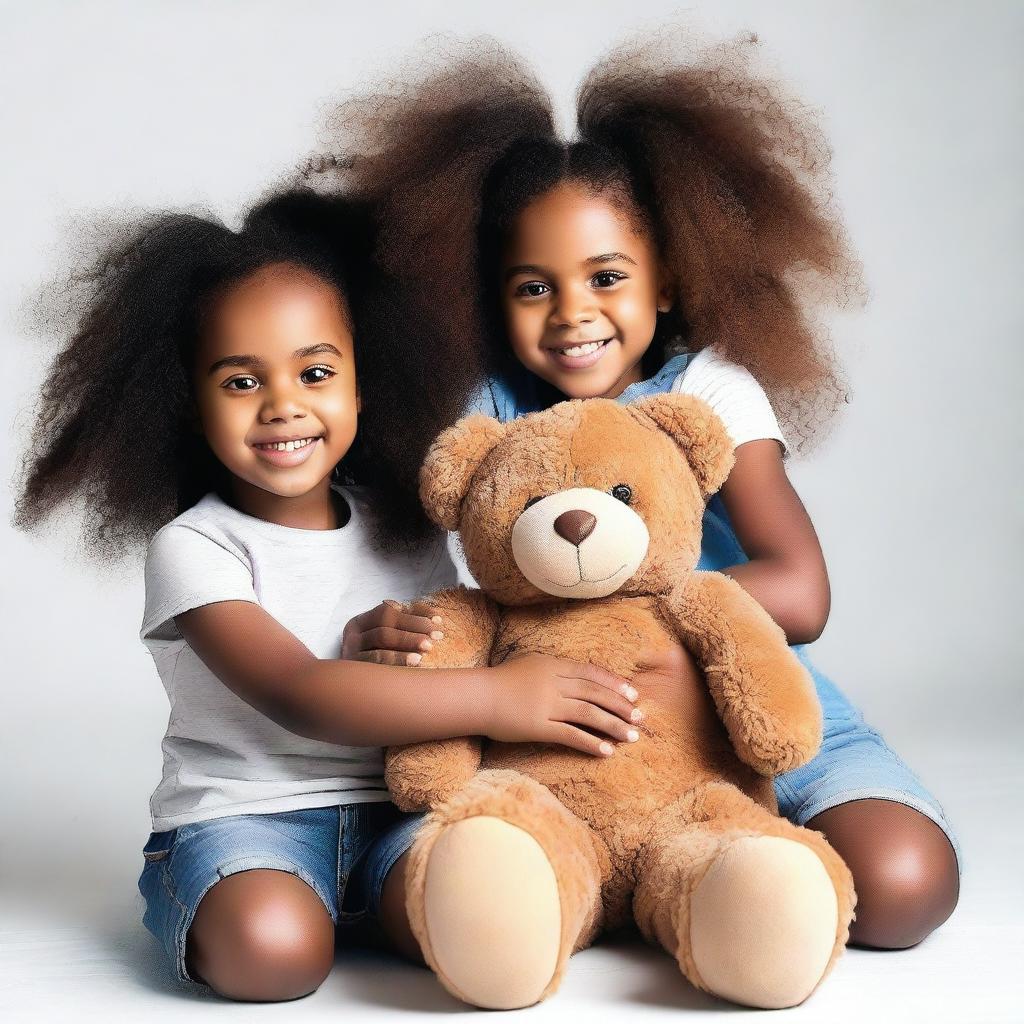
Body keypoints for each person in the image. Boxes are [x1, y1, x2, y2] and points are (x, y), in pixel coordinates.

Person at [315, 31, 961, 950]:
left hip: (744, 691)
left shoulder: (708, 391)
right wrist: (388, 629)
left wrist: (642, 622)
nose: (572, 311)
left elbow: (802, 593)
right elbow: (410, 565)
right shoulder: (485, 410)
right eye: (534, 286)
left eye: (607, 277)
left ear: (666, 281)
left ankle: (733, 862)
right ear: (489, 299)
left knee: (904, 886)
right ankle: (611, 878)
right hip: (563, 718)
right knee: (474, 881)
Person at [14, 189, 641, 1001]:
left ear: (362, 383)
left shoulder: (406, 528)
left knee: (484, 899)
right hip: (246, 821)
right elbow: (301, 694)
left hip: (397, 810)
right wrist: (497, 697)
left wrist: (427, 654)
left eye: (315, 372)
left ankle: (416, 909)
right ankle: (228, 902)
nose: (284, 406)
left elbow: (454, 641)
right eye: (241, 382)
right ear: (187, 403)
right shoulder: (196, 548)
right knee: (275, 954)